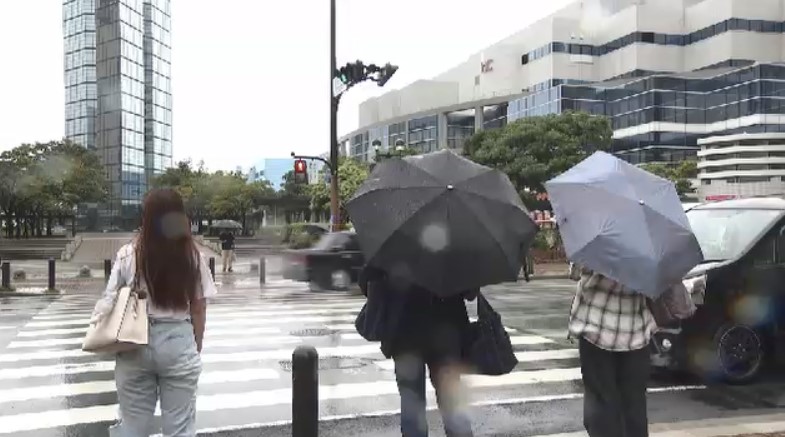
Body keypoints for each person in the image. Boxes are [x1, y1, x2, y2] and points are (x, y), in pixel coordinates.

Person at [91, 188, 218, 437]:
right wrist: (196, 343)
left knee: (133, 426)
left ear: (146, 216)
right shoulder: (192, 256)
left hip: (133, 341)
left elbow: (109, 299)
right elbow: (199, 307)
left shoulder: (128, 254)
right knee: (180, 427)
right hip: (178, 341)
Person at [361, 267, 475, 437]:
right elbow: (470, 292)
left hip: (405, 332)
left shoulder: (392, 252)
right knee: (450, 398)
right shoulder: (454, 252)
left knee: (412, 401)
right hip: (446, 332)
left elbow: (367, 282)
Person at [568, 263, 657, 437]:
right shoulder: (647, 252)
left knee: (601, 401)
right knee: (634, 403)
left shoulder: (597, 247)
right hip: (634, 332)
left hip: (596, 328)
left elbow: (575, 272)